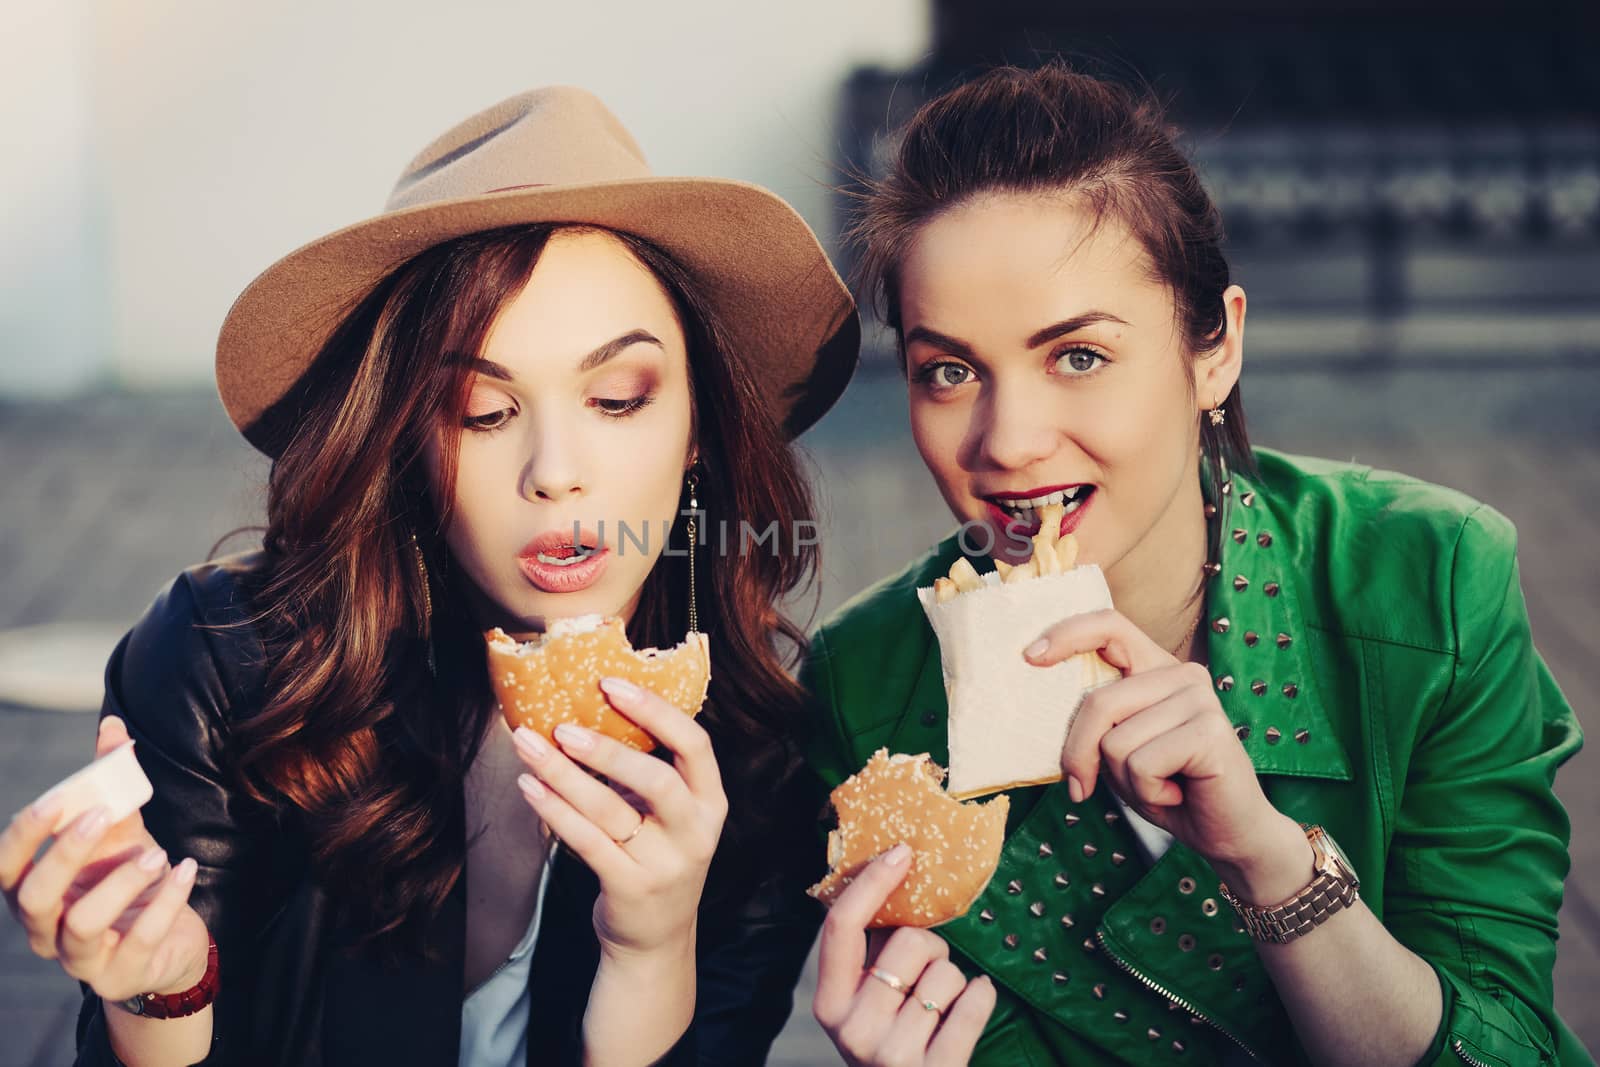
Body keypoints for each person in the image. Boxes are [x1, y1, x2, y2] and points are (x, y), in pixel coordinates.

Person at [0, 85, 857, 1066]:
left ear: (697, 424)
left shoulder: (757, 761)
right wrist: (161, 983)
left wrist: (651, 947)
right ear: (407, 439)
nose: (554, 470)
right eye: (481, 412)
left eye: (617, 396)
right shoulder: (227, 668)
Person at [802, 63, 1588, 1066]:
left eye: (1077, 355)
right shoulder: (866, 692)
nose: (1006, 441)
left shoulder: (1430, 578)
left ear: (1213, 349)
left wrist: (1269, 862)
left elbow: (1508, 1043)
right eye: (947, 371)